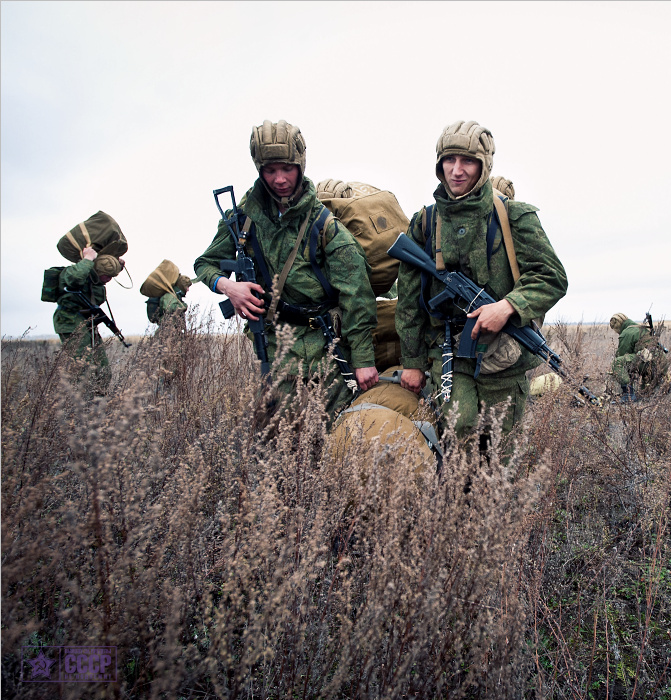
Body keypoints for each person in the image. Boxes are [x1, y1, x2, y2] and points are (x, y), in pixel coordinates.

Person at [395, 120, 568, 451]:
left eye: (468, 162)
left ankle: (496, 502)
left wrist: (506, 307)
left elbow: (552, 276)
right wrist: (413, 363)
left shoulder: (515, 217)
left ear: (484, 166)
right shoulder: (425, 221)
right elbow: (408, 302)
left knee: (502, 447)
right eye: (449, 160)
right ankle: (459, 499)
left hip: (502, 354)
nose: (457, 171)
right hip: (448, 353)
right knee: (458, 433)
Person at [194, 119, 379, 421]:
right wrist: (229, 288)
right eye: (270, 170)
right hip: (274, 348)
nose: (279, 178)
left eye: (287, 169)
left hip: (327, 350)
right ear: (259, 170)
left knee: (335, 439)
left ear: (300, 166)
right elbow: (204, 264)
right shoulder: (242, 219)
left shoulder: (324, 225)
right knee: (272, 436)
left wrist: (363, 360)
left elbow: (356, 293)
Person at [52, 246, 125, 395]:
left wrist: (117, 263)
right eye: (107, 275)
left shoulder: (94, 281)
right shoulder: (77, 273)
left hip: (88, 324)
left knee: (103, 371)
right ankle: (80, 407)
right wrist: (88, 258)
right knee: (82, 370)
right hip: (70, 322)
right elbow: (73, 279)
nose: (109, 280)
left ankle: (98, 403)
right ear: (97, 271)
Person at [608, 313, 669, 402]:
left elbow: (622, 357)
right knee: (646, 394)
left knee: (617, 362)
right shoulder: (640, 328)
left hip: (649, 363)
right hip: (660, 363)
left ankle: (628, 395)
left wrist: (619, 375)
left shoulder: (627, 333)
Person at [142, 259, 191, 332]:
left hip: (169, 331)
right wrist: (183, 306)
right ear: (182, 286)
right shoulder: (170, 295)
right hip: (167, 331)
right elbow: (170, 307)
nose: (188, 290)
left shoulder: (175, 295)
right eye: (187, 287)